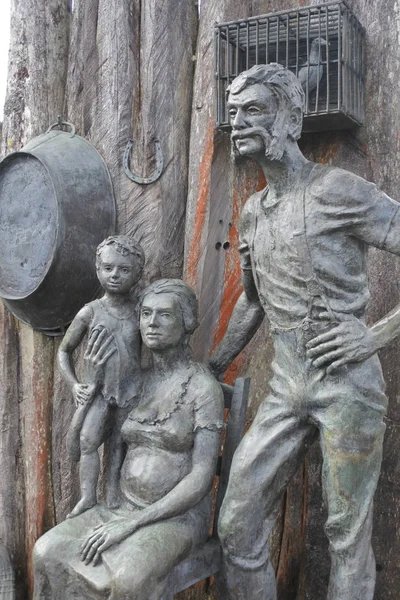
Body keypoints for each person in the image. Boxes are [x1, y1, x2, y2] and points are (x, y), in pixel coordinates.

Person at [209, 63, 400, 600]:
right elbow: (253, 301)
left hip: (347, 383)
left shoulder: (338, 190)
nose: (239, 122)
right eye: (233, 113)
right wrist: (212, 364)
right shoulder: (252, 215)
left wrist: (374, 336)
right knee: (237, 525)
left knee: (346, 537)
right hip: (285, 386)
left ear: (291, 120)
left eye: (253, 110)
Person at [33, 279, 224, 599]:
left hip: (175, 520)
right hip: (118, 508)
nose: (152, 322)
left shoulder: (203, 390)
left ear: (187, 322)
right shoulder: (134, 383)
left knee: (128, 579)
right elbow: (77, 448)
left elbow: (202, 477)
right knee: (46, 550)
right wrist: (91, 387)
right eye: (146, 313)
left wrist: (133, 524)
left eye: (164, 315)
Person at [58, 235, 144, 517]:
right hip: (98, 392)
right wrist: (74, 386)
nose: (115, 276)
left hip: (131, 391)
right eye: (108, 269)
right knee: (87, 440)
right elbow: (64, 351)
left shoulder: (142, 311)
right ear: (98, 269)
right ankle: (87, 496)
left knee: (120, 444)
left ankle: (113, 493)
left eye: (124, 270)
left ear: (137, 273)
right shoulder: (90, 312)